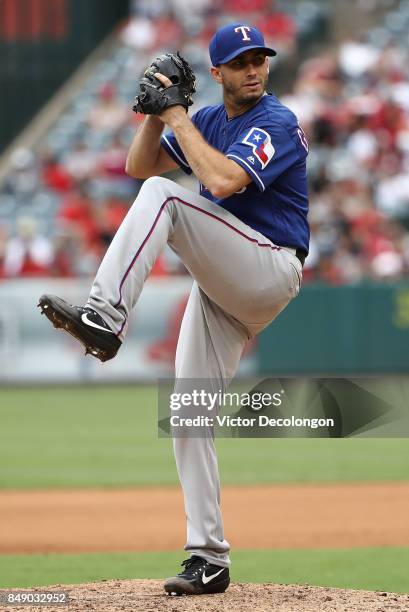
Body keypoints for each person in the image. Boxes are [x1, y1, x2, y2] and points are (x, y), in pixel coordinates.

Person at [38, 22, 309, 596]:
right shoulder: (209, 120)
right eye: (240, 63)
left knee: (167, 199)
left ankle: (105, 316)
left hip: (269, 267)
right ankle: (208, 558)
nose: (254, 69)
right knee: (188, 415)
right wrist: (156, 114)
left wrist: (180, 116)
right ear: (217, 74)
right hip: (225, 289)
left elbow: (225, 180)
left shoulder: (275, 121)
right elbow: (140, 167)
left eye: (259, 59)